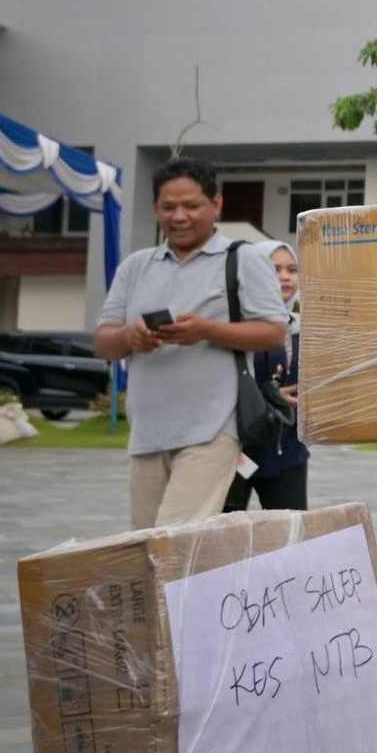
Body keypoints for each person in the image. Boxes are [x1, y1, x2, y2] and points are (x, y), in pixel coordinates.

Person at [93, 157, 289, 529]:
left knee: (173, 541)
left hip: (212, 430)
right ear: (155, 209)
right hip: (147, 432)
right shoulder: (135, 267)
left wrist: (206, 330)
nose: (179, 216)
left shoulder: (243, 259)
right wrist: (129, 336)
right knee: (147, 544)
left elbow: (273, 331)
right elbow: (104, 342)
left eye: (191, 205)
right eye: (168, 207)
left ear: (216, 204)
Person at [223, 240, 309, 511]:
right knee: (224, 534)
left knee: (292, 536)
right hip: (238, 451)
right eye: (275, 269)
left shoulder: (302, 329)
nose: (285, 276)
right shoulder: (235, 327)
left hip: (288, 452)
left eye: (292, 269)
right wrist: (268, 396)